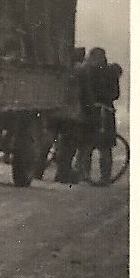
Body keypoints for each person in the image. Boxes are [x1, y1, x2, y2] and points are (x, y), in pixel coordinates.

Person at [75, 47, 123, 186]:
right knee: (92, 146)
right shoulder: (107, 72)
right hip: (99, 112)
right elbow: (115, 93)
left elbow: (114, 93)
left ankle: (89, 175)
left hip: (96, 112)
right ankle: (97, 176)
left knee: (92, 146)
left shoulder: (88, 71)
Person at [53, 47, 87, 184]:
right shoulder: (81, 71)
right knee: (69, 144)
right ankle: (64, 172)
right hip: (72, 113)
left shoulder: (63, 70)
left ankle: (41, 169)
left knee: (57, 143)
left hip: (57, 111)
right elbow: (85, 93)